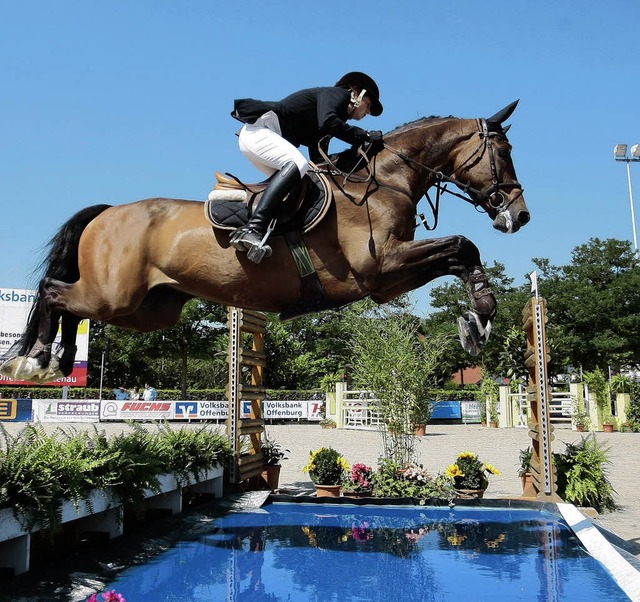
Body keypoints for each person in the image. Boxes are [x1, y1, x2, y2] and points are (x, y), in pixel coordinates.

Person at [226, 71, 384, 262]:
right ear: (356, 94)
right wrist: (364, 136)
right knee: (298, 164)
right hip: (258, 133)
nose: (367, 112)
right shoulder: (336, 95)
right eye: (368, 105)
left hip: (259, 140)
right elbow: (329, 122)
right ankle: (252, 228)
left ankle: (274, 233)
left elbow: (319, 159)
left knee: (307, 179)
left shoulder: (330, 118)